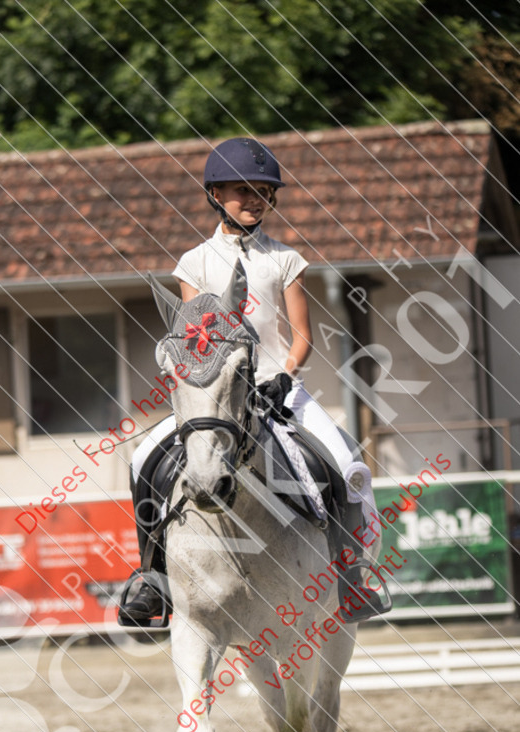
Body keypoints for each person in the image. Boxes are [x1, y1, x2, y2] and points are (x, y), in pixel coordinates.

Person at [119, 137, 385, 626]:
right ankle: (153, 580)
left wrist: (285, 376)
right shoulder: (194, 263)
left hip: (277, 387)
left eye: (263, 190)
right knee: (141, 460)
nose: (254, 198)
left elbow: (301, 335)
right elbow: (199, 336)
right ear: (215, 194)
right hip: (217, 391)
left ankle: (353, 578)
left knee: (349, 464)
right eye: (242, 189)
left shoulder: (284, 258)